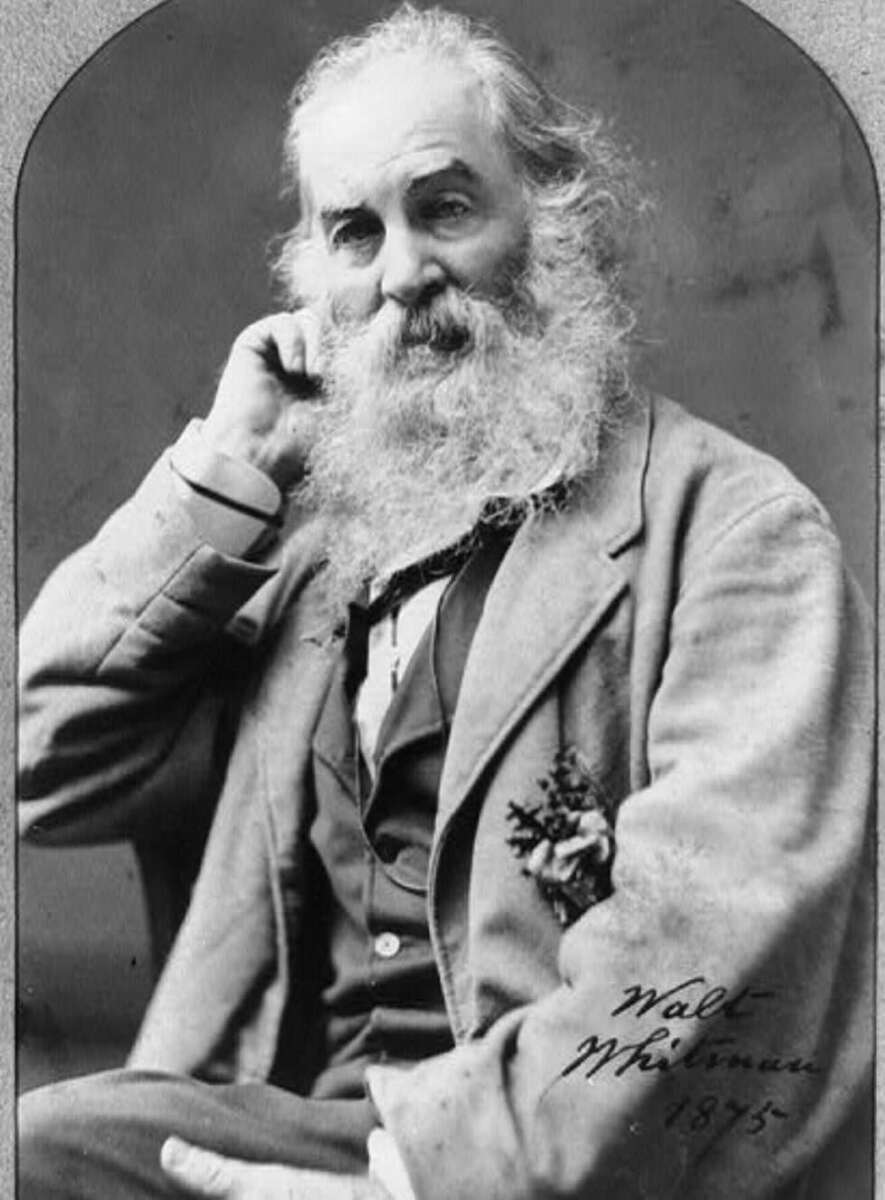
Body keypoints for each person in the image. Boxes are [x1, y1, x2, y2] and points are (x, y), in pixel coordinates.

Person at [17, 5, 873, 1199]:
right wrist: (226, 463)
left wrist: (417, 1187)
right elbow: (42, 761)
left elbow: (709, 951)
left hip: (547, 1165)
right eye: (355, 234)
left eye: (448, 207)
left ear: (554, 215)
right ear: (316, 281)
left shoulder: (739, 536)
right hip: (280, 1129)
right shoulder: (308, 540)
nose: (406, 273)